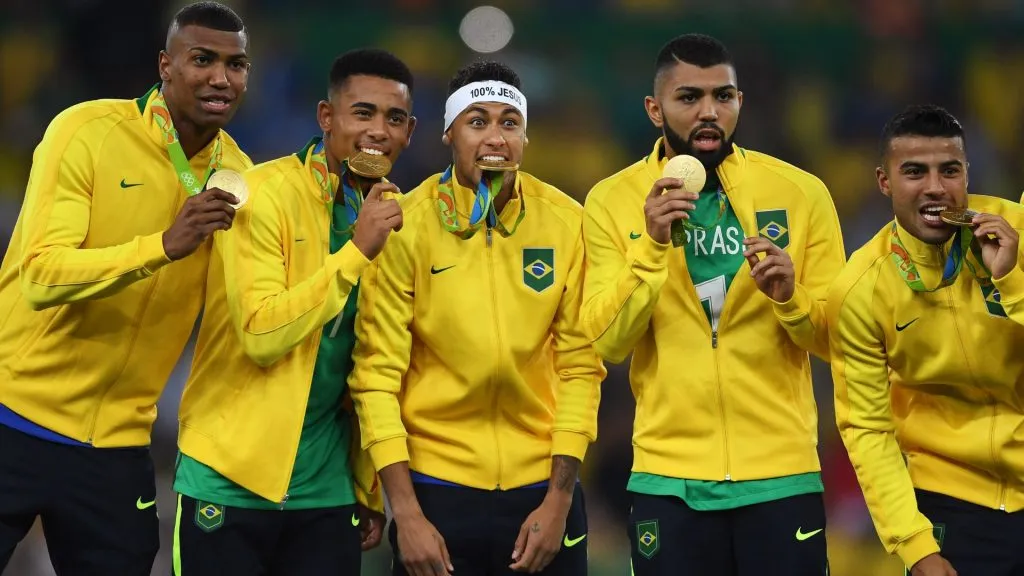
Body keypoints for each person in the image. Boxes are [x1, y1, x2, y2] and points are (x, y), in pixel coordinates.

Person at [580, 33, 846, 575]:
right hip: (668, 475)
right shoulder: (613, 199)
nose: (709, 112)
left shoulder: (801, 193)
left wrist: (792, 299)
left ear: (740, 102)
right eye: (688, 98)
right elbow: (607, 340)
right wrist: (651, 246)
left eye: (722, 97)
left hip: (781, 474)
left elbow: (837, 338)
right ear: (655, 109)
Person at [0, 2, 251, 574]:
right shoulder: (85, 129)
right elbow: (40, 275)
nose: (220, 77)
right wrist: (162, 246)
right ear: (166, 65)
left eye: (236, 64)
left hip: (117, 447)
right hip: (13, 417)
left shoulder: (239, 175)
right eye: (202, 59)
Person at [349, 60, 606, 576]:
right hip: (437, 491)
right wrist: (407, 512)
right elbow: (377, 377)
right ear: (448, 132)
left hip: (541, 494)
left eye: (509, 122)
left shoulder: (567, 223)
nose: (495, 137)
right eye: (477, 121)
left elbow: (581, 367)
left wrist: (558, 501)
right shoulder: (407, 224)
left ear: (526, 137)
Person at [171, 48, 414, 575]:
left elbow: (377, 364)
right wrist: (356, 252)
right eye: (363, 113)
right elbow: (261, 334)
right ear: (327, 118)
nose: (378, 131)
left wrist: (365, 481)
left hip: (325, 492)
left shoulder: (400, 221)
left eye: (394, 119)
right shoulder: (261, 195)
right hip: (229, 479)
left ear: (410, 132)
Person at [828, 104, 1024, 576]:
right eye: (914, 172)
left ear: (966, 174)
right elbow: (868, 430)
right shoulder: (860, 288)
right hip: (951, 503)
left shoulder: (1017, 233)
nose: (935, 187)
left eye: (949, 170)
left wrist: (1013, 282)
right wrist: (915, 547)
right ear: (884, 182)